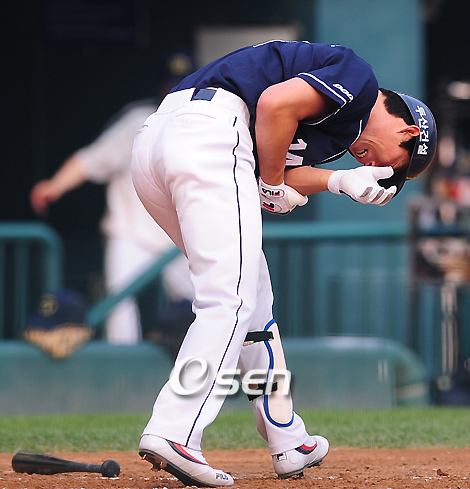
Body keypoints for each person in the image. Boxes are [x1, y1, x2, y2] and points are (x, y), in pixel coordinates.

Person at [131, 40, 437, 487]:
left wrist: (337, 180)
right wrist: (274, 185)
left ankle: (287, 436)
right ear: (408, 132)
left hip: (160, 142)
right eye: (397, 166)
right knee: (230, 299)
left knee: (251, 295)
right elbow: (275, 106)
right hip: (210, 128)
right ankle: (174, 429)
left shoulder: (337, 131)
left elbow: (270, 161)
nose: (383, 170)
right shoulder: (360, 80)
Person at [30, 81, 195, 345]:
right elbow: (91, 159)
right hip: (132, 231)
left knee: (203, 302)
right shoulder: (139, 120)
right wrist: (55, 185)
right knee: (119, 303)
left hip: (180, 236)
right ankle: (124, 369)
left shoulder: (204, 119)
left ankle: (205, 363)